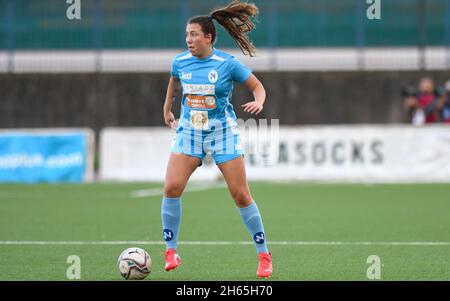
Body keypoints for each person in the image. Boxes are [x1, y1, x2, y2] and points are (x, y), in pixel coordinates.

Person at [161, 0, 272, 278]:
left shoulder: (227, 63)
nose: (189, 39)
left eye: (194, 34)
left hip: (222, 134)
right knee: (172, 187)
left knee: (240, 194)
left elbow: (257, 86)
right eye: (187, 34)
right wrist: (167, 108)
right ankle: (170, 250)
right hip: (189, 132)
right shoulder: (180, 62)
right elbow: (175, 81)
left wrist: (259, 101)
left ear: (209, 37)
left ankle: (263, 254)